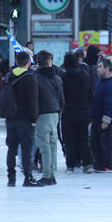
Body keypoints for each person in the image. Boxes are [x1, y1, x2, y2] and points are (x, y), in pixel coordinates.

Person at [4, 51, 41, 187]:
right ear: (29, 62)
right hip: (25, 119)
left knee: (11, 149)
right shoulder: (30, 78)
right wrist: (34, 118)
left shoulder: (9, 76)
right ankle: (28, 177)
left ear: (17, 62)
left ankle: (11, 178)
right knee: (26, 150)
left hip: (11, 119)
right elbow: (33, 101)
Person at [61, 52, 95, 174]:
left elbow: (61, 95)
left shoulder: (63, 76)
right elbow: (91, 93)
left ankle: (70, 165)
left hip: (68, 111)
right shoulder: (85, 75)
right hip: (84, 111)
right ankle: (88, 164)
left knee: (69, 139)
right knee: (84, 139)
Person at [33, 50, 64, 186]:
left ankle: (46, 175)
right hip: (55, 113)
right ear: (50, 61)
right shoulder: (57, 78)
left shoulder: (35, 77)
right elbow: (62, 98)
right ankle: (52, 175)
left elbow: (34, 98)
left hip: (42, 113)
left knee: (43, 145)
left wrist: (32, 116)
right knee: (52, 145)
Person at [90, 58, 112, 172]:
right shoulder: (101, 82)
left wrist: (106, 120)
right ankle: (98, 163)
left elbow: (111, 104)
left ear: (107, 69)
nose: (97, 69)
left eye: (100, 67)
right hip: (96, 118)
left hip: (104, 120)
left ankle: (106, 164)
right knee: (95, 142)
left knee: (105, 142)